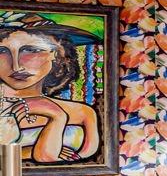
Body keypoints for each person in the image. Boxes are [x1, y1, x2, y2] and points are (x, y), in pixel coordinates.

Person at [0, 16, 103, 165]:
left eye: (30, 50)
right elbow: (46, 156)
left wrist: (58, 115)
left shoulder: (84, 113)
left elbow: (86, 164)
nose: (16, 66)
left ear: (56, 52)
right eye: (2, 51)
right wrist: (29, 151)